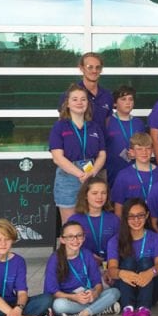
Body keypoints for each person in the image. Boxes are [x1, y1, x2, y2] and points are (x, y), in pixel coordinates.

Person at [46, 221, 121, 316]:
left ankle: (81, 315)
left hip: (89, 295)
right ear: (62, 239)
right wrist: (74, 297)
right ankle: (101, 309)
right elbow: (53, 291)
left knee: (115, 292)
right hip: (70, 299)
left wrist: (95, 294)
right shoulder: (55, 259)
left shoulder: (87, 254)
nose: (75, 240)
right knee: (58, 305)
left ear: (84, 237)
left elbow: (98, 283)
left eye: (79, 236)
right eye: (70, 237)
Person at [51, 83, 107, 223]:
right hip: (68, 178)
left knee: (91, 222)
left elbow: (102, 154)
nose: (79, 102)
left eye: (83, 99)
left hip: (92, 176)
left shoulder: (94, 127)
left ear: (88, 103)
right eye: (74, 99)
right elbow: (58, 158)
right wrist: (80, 174)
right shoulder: (59, 127)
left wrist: (92, 172)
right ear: (67, 103)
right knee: (70, 225)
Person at [108, 198, 158, 316]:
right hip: (126, 287)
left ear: (147, 215)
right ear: (125, 218)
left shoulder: (156, 238)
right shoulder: (115, 240)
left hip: (150, 288)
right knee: (128, 262)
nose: (136, 220)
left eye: (140, 215)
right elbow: (111, 270)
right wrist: (123, 273)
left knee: (146, 262)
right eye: (131, 216)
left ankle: (144, 311)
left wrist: (150, 273)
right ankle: (128, 311)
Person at [111, 132, 158, 216]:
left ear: (152, 150)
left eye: (147, 148)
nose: (144, 152)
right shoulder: (123, 175)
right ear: (132, 152)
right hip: (132, 221)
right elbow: (118, 206)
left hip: (156, 219)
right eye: (139, 149)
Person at [68, 178, 119, 268]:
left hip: (111, 265)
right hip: (84, 266)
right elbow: (68, 248)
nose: (99, 197)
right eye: (94, 193)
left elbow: (121, 245)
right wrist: (89, 256)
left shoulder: (114, 219)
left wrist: (110, 262)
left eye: (103, 193)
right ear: (85, 195)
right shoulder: (74, 220)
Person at [57, 52, 113, 131]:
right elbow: (61, 126)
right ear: (81, 68)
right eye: (90, 67)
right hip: (76, 142)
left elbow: (107, 125)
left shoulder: (107, 96)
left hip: (101, 142)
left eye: (98, 67)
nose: (94, 71)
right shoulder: (69, 95)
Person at [105, 85, 146, 185]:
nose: (128, 102)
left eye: (130, 99)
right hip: (112, 170)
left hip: (135, 170)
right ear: (115, 103)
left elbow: (145, 147)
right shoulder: (107, 121)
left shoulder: (139, 123)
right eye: (123, 99)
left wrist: (137, 154)